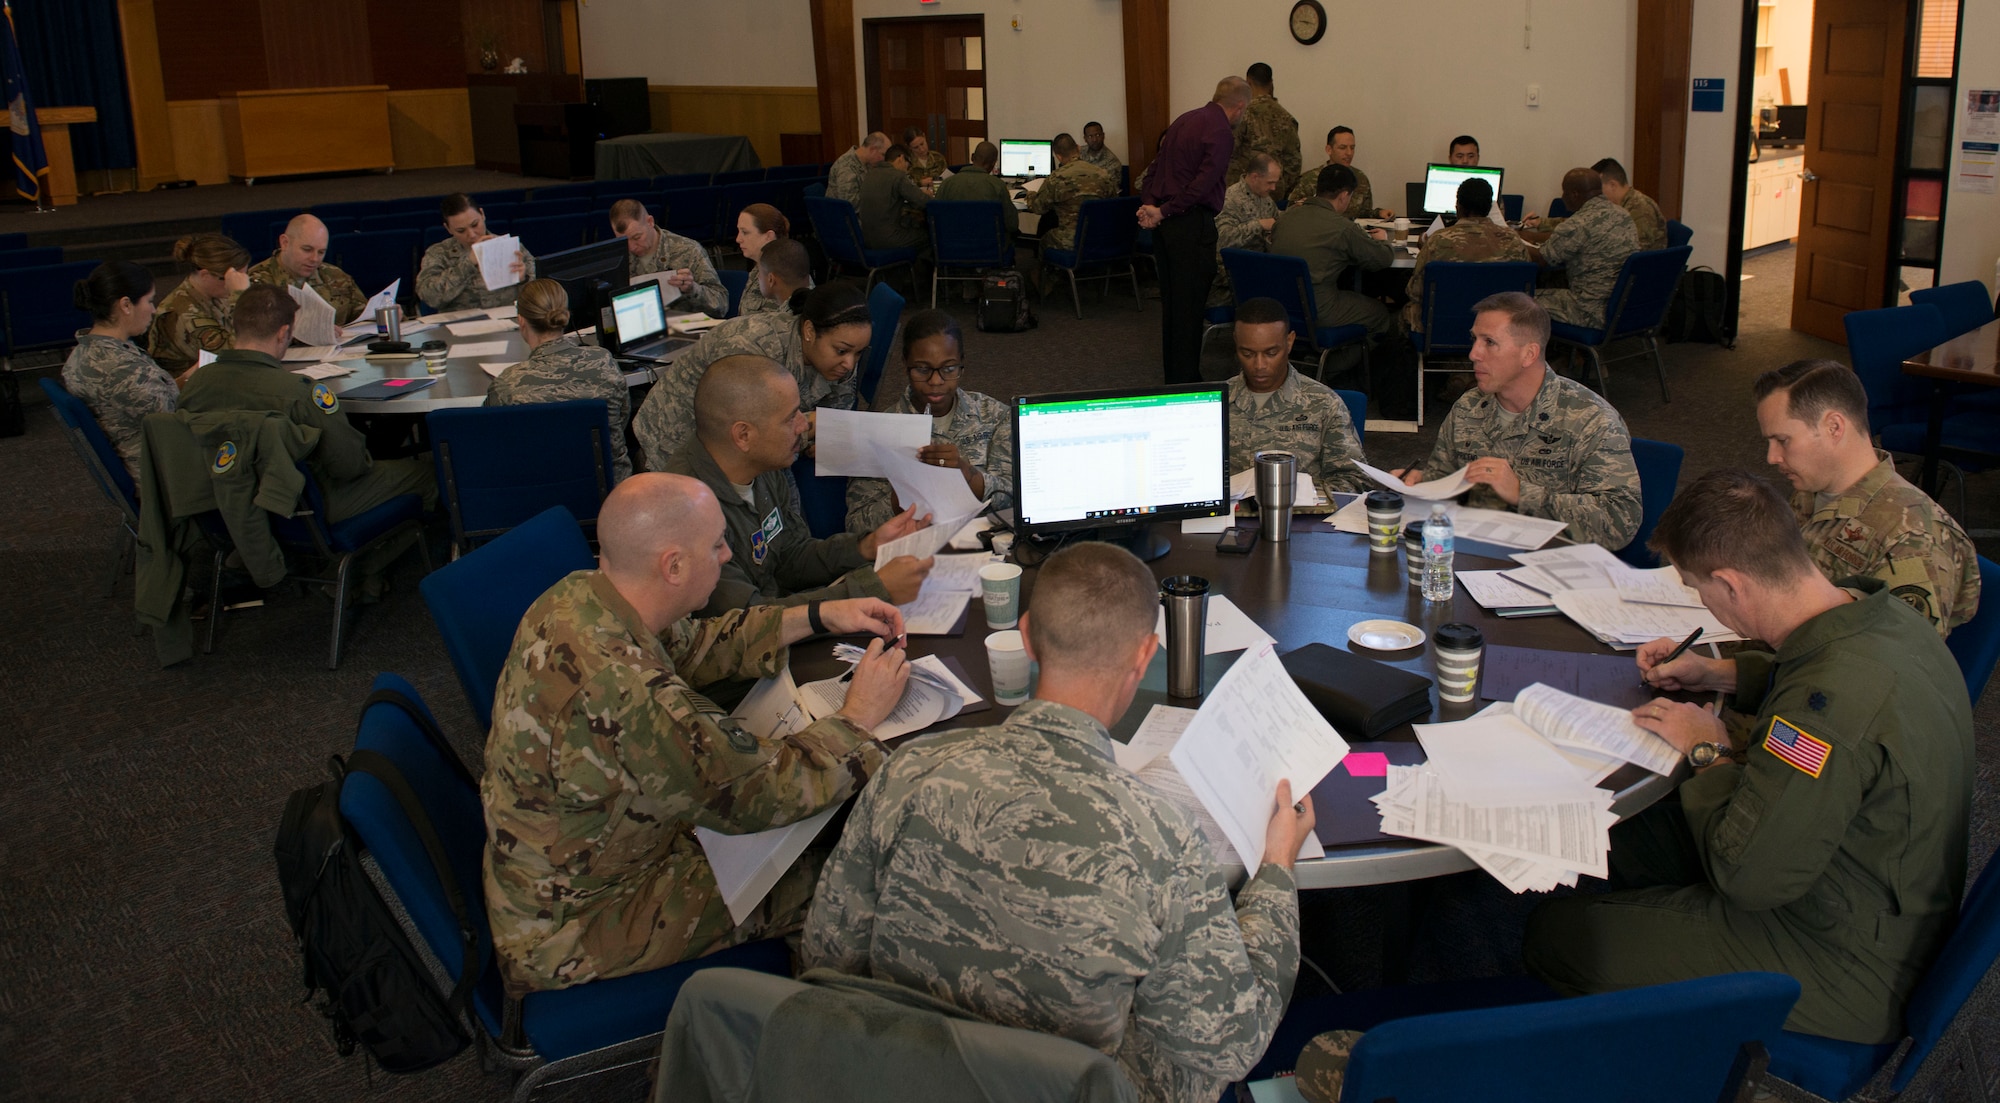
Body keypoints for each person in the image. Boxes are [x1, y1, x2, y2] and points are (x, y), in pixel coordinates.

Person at [804, 541, 1316, 1103]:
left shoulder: (912, 769)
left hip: (909, 1076)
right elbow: (1231, 1041)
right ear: (1145, 656)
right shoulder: (1161, 836)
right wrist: (1275, 872)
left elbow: (829, 953)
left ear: (1025, 636)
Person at [1523, 467, 1974, 1046]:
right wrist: (1721, 673)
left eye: (1698, 590)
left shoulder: (1823, 715)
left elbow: (1749, 877)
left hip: (1843, 956)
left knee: (1559, 935)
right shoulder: (1880, 617)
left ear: (1732, 585)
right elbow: (1815, 671)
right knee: (1621, 829)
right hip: (1876, 883)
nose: (1701, 603)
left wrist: (1707, 748)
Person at [481, 471, 914, 994]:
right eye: (716, 545)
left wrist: (819, 616)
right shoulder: (627, 692)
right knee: (847, 872)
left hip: (567, 866)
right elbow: (764, 793)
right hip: (578, 925)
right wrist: (858, 717)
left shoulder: (580, 596)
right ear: (674, 566)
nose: (728, 555)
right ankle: (812, 1030)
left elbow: (694, 644)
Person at [177, 285, 435, 595]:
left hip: (227, 509)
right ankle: (354, 573)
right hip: (305, 508)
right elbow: (350, 466)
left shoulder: (195, 385)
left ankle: (361, 578)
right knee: (431, 474)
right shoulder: (298, 393)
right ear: (284, 333)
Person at [660, 355, 933, 617]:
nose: (804, 425)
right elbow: (747, 620)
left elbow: (790, 557)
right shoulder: (687, 514)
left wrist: (866, 547)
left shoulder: (762, 465)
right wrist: (873, 588)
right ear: (743, 435)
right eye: (791, 417)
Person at [1397, 292, 1640, 548]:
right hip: (1474, 553)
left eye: (1489, 342)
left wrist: (1522, 494)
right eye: (1474, 339)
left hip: (1548, 565)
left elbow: (1620, 520)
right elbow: (1446, 480)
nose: (1473, 354)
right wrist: (1421, 483)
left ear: (1529, 354)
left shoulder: (1590, 418)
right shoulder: (1469, 407)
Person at [1754, 358, 1978, 634]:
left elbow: (1892, 664)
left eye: (1783, 440)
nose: (1772, 457)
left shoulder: (1913, 539)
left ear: (1834, 427)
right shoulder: (1812, 491)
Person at [631, 279, 870, 472]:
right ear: (809, 331)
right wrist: (815, 427)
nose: (849, 364)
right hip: (677, 437)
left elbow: (837, 415)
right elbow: (747, 437)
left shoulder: (842, 353)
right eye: (842, 351)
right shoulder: (751, 348)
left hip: (751, 446)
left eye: (858, 353)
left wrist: (826, 436)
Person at [845, 310, 1014, 533]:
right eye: (922, 369)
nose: (936, 381)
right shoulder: (880, 431)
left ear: (962, 361)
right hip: (914, 554)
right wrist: (900, 503)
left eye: (949, 368)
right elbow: (855, 526)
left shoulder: (995, 416)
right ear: (905, 363)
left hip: (987, 548)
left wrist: (970, 477)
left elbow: (1021, 498)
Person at [1140, 77, 1253, 385]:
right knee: (1189, 308)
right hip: (1190, 225)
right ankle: (1187, 380)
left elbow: (1154, 169)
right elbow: (1202, 187)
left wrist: (1151, 206)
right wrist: (1162, 211)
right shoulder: (1220, 132)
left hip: (1165, 228)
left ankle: (1174, 376)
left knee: (1173, 306)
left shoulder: (1183, 120)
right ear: (1240, 106)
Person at [487, 279, 634, 481]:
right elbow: (620, 418)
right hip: (611, 490)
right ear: (565, 313)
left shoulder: (508, 384)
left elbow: (496, 442)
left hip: (539, 494)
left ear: (521, 321)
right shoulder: (603, 362)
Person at [1226, 297, 1367, 491]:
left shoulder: (1324, 403)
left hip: (1301, 517)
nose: (1259, 365)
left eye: (1271, 353)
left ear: (1289, 341)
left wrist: (1305, 500)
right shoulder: (1214, 403)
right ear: (1236, 342)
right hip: (1228, 519)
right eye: (1248, 354)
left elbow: (1354, 479)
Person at [64, 260, 183, 477]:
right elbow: (172, 420)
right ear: (126, 305)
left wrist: (186, 378)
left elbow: (150, 398)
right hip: (162, 470)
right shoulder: (117, 367)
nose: (154, 310)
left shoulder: (89, 350)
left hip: (149, 454)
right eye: (149, 301)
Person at [1268, 164, 1396, 351]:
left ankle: (1312, 360)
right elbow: (1381, 259)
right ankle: (1336, 367)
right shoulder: (1342, 227)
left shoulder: (1286, 217)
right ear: (1344, 196)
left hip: (1281, 302)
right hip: (1319, 308)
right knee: (1380, 315)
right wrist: (1384, 240)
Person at [1401, 178, 1533, 330]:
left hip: (1444, 325)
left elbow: (1415, 292)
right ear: (1490, 207)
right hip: (1497, 327)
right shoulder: (1513, 241)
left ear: (1458, 207)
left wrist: (1424, 250)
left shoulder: (1437, 241)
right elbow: (1523, 292)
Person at [1518, 168, 1638, 329]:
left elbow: (1542, 259)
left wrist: (1512, 240)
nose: (1562, 197)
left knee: (1516, 300)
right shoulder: (1623, 215)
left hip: (1587, 310)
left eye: (1564, 192)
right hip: (1622, 305)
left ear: (1574, 194)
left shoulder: (1577, 224)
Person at [607, 198, 728, 318]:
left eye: (637, 237)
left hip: (685, 328)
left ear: (650, 222)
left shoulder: (688, 250)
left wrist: (692, 289)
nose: (631, 247)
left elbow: (721, 305)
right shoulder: (618, 258)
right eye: (623, 241)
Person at [148, 233, 250, 375]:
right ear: (205, 275)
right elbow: (236, 354)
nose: (237, 284)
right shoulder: (183, 312)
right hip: (189, 389)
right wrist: (241, 297)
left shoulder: (215, 293)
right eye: (231, 279)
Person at [416, 193, 534, 312]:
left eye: (475, 224)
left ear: (482, 215)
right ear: (448, 228)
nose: (471, 235)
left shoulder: (510, 247)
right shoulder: (439, 253)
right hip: (460, 324)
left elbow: (541, 294)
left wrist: (524, 279)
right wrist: (468, 264)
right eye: (461, 230)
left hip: (507, 319)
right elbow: (429, 297)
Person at [247, 214, 367, 326]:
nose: (315, 259)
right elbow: (252, 334)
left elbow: (364, 317)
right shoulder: (257, 283)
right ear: (284, 243)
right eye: (307, 249)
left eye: (321, 252)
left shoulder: (335, 276)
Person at [1028, 132, 1117, 261]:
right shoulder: (1102, 174)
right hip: (1101, 235)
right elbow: (1113, 203)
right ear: (1078, 148)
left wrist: (1030, 194)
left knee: (1043, 239)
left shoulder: (1056, 178)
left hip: (1070, 240)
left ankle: (1047, 277)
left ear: (1058, 156)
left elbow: (1038, 208)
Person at [1208, 153, 1282, 308]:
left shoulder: (1266, 199)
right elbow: (1222, 240)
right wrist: (1258, 225)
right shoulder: (1230, 199)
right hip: (1229, 273)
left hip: (1257, 266)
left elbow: (1275, 223)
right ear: (1254, 177)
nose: (1273, 188)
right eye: (1270, 183)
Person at [1229, 62, 1302, 197]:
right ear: (1271, 83)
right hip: (1274, 192)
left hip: (1243, 193)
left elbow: (1228, 151)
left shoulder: (1242, 114)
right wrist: (1280, 186)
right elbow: (1294, 163)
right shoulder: (1286, 117)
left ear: (1248, 83)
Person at [1290, 127, 1389, 218]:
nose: (1349, 153)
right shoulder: (1309, 179)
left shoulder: (1360, 178)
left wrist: (1379, 213)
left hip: (1351, 233)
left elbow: (1363, 213)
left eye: (1352, 148)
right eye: (1343, 148)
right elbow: (1291, 211)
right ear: (1329, 150)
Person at [858, 143, 931, 254]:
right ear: (901, 158)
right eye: (908, 164)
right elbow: (923, 202)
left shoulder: (870, 174)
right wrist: (930, 196)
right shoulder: (897, 176)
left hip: (866, 239)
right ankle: (917, 270)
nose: (907, 170)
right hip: (889, 239)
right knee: (929, 235)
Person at [733, 202, 802, 316]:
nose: (738, 239)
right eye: (739, 231)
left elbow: (777, 327)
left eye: (745, 232)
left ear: (768, 236)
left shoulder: (784, 275)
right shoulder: (760, 267)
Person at [1592, 157, 1668, 251]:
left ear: (1612, 185)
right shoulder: (1620, 205)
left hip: (1643, 263)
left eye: (1598, 188)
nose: (1595, 193)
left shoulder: (1640, 207)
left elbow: (1641, 248)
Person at [935, 139, 1011, 206]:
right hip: (985, 222)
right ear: (993, 164)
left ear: (972, 157)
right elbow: (1011, 220)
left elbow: (936, 213)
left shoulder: (947, 184)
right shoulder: (998, 186)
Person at [828, 132, 889, 205]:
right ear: (872, 150)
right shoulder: (847, 166)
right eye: (883, 154)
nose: (884, 159)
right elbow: (849, 202)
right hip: (843, 214)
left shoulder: (867, 164)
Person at [901, 125, 947, 190]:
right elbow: (902, 185)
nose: (921, 149)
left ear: (924, 136)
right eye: (916, 147)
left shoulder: (938, 158)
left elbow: (947, 179)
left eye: (922, 144)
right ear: (909, 147)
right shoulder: (906, 162)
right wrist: (919, 183)